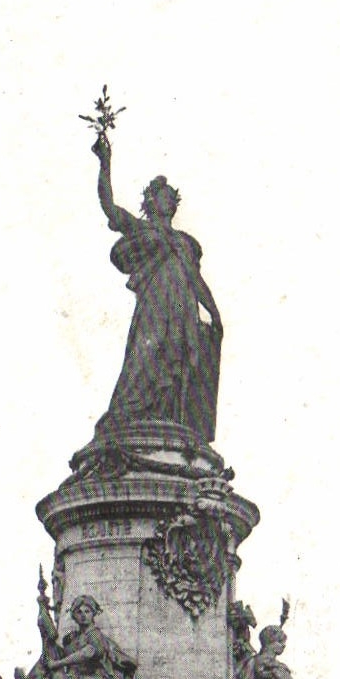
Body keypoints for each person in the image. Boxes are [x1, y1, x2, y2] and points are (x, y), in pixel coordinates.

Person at [91, 130, 223, 444]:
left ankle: (170, 425)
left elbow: (196, 280)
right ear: (151, 200)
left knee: (180, 368)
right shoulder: (142, 230)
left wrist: (215, 313)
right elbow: (110, 208)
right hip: (154, 307)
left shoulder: (185, 243)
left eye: (172, 197)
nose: (171, 201)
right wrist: (105, 164)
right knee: (144, 359)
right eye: (164, 196)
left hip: (182, 310)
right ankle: (129, 418)